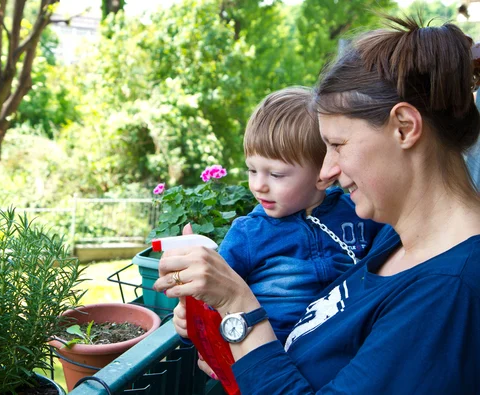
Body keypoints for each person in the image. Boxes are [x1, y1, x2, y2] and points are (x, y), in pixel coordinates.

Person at [154, 15, 480, 394]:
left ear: (404, 127)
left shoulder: (447, 294)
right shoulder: (398, 238)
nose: (325, 170)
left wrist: (238, 308)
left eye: (337, 145)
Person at [218, 87, 383, 343]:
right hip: (276, 349)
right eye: (252, 170)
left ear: (322, 173)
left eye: (275, 174)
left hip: (349, 339)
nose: (259, 185)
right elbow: (215, 295)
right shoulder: (249, 234)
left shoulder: (356, 211)